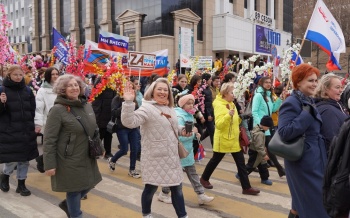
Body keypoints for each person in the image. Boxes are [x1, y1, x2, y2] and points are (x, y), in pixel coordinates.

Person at [121, 78, 190, 218]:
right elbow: (129, 122)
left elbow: (172, 126)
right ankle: (146, 214)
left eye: (166, 90)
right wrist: (128, 102)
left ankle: (183, 216)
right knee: (150, 188)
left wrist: (182, 130)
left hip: (172, 156)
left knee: (177, 187)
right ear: (152, 91)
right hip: (154, 157)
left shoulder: (169, 107)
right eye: (159, 89)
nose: (163, 92)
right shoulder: (147, 108)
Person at [43, 74, 102, 218]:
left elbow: (94, 129)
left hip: (87, 154)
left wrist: (100, 147)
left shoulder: (86, 105)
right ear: (62, 89)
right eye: (70, 85)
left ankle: (67, 204)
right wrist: (49, 164)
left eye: (76, 85)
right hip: (68, 157)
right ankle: (76, 214)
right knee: (74, 189)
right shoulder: (58, 110)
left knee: (90, 182)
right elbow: (50, 139)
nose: (74, 88)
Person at [278, 63, 329, 218]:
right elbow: (285, 132)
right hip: (303, 162)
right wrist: (306, 115)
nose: (314, 84)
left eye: (315, 80)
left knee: (300, 205)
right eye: (310, 81)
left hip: (315, 158)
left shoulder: (308, 100)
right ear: (298, 82)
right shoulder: (291, 102)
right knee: (316, 205)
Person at [200, 82, 260, 195]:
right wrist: (229, 115)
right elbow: (218, 124)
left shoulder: (231, 103)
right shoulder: (219, 105)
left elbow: (234, 121)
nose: (234, 95)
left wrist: (241, 118)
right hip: (223, 139)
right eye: (232, 92)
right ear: (225, 93)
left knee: (241, 163)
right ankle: (204, 178)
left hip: (233, 139)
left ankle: (246, 187)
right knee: (215, 160)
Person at [158, 94, 214, 205]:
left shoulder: (189, 115)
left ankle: (201, 195)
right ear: (182, 105)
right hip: (179, 150)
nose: (191, 105)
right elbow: (179, 135)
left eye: (192, 103)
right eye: (188, 103)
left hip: (187, 150)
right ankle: (164, 194)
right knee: (173, 174)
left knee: (192, 173)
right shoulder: (180, 116)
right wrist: (193, 134)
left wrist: (195, 133)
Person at [0, 64, 38, 197]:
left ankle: (21, 184)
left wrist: (35, 124)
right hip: (10, 130)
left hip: (26, 129)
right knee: (11, 158)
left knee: (25, 159)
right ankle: (5, 176)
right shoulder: (2, 90)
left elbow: (33, 110)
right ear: (9, 75)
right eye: (15, 74)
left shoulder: (27, 90)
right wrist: (1, 103)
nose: (18, 77)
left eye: (20, 74)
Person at [251, 76, 285, 177]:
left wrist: (280, 99)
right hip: (260, 127)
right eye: (266, 82)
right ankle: (279, 168)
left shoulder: (269, 95)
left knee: (264, 150)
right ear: (261, 83)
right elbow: (254, 112)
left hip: (267, 126)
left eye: (270, 82)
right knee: (267, 147)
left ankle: (246, 171)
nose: (268, 84)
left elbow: (273, 109)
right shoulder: (258, 95)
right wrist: (260, 125)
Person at [108, 83, 141, 179]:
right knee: (124, 150)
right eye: (127, 87)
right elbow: (114, 112)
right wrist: (126, 105)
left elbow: (137, 112)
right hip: (121, 127)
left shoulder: (134, 99)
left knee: (135, 149)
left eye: (131, 87)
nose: (130, 89)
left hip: (133, 128)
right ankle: (112, 160)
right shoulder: (117, 99)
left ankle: (132, 170)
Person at [34, 67, 60, 173]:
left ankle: (44, 159)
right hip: (48, 123)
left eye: (56, 74)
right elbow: (39, 109)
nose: (55, 76)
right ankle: (43, 160)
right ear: (48, 75)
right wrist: (38, 124)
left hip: (62, 121)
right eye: (52, 74)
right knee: (51, 146)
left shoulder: (61, 88)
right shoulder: (42, 90)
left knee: (60, 145)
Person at [315, 73, 348, 152]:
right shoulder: (328, 111)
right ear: (326, 89)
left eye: (341, 87)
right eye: (337, 87)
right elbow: (332, 141)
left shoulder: (335, 105)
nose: (341, 90)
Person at [245, 116, 274, 185]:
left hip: (258, 152)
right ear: (265, 125)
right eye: (268, 127)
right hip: (256, 153)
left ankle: (265, 178)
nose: (268, 129)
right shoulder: (259, 134)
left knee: (263, 166)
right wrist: (264, 154)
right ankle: (241, 174)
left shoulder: (257, 128)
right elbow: (259, 146)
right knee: (251, 165)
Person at [91, 77, 116, 159]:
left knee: (108, 133)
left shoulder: (113, 86)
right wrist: (96, 116)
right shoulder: (99, 86)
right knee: (100, 134)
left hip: (109, 113)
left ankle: (107, 152)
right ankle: (96, 150)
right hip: (101, 114)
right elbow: (96, 103)